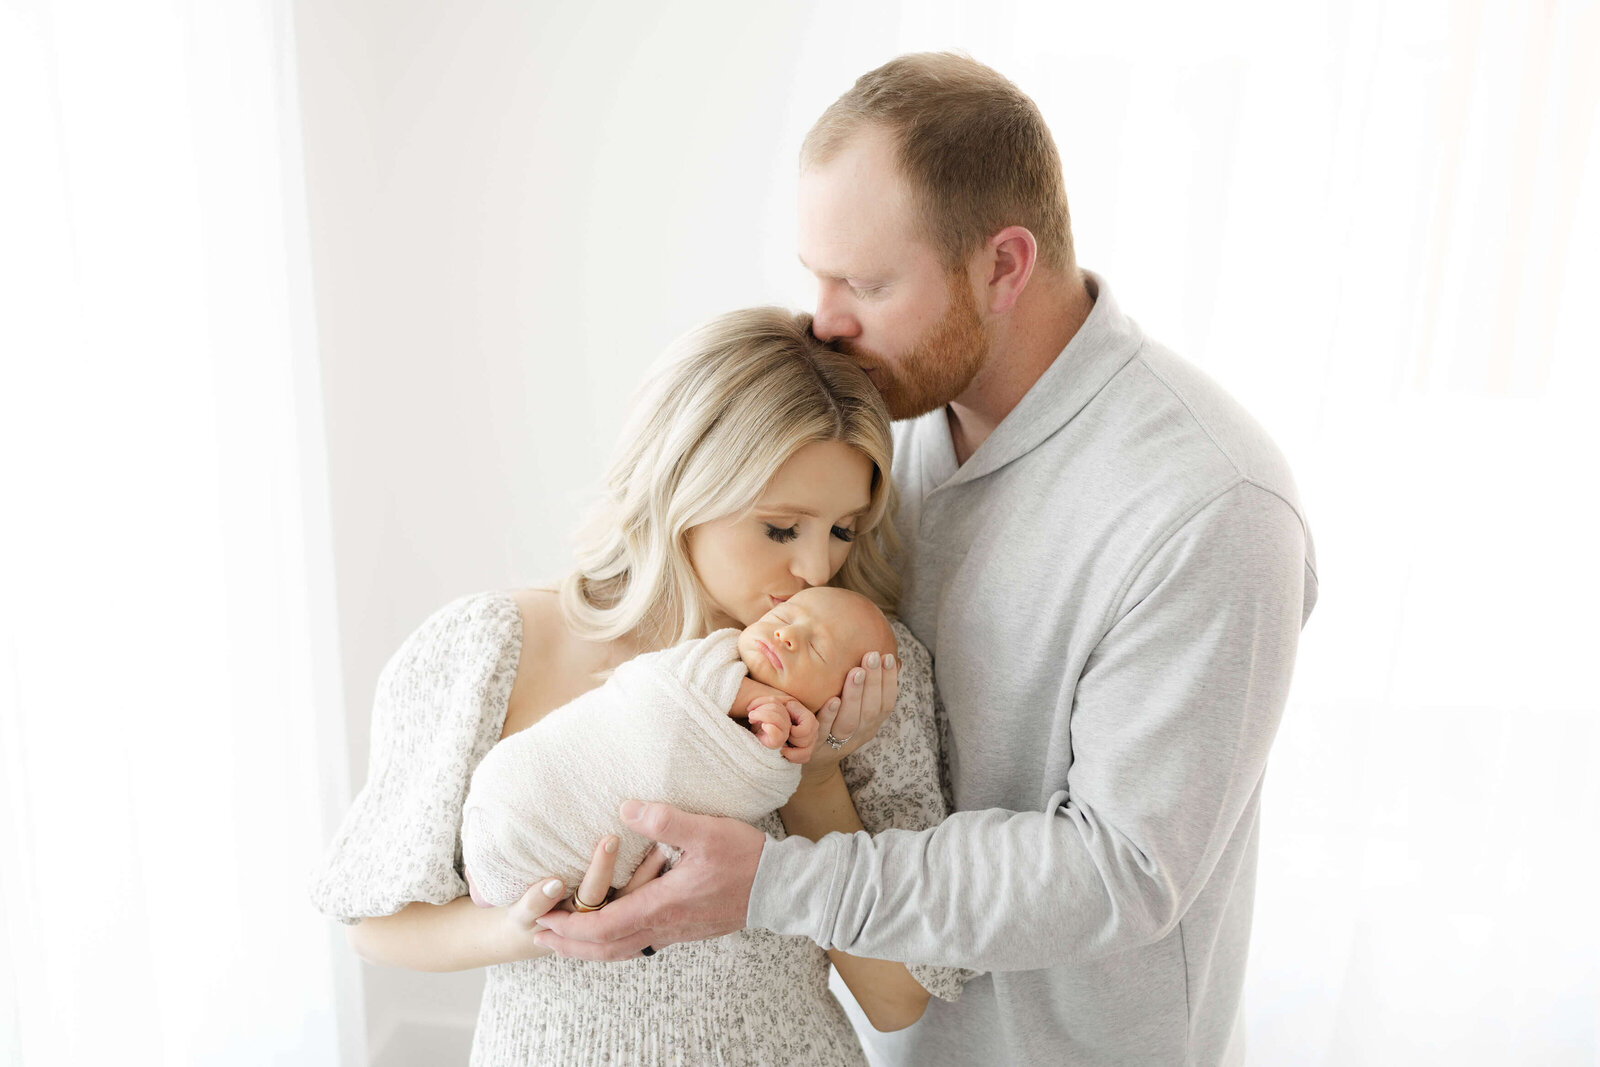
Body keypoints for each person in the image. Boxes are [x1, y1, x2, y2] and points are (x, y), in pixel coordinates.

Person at [532, 53, 1319, 1067]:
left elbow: (1119, 867)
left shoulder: (1209, 504)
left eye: (864, 282)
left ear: (1003, 265)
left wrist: (775, 882)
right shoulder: (876, 432)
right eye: (816, 273)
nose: (823, 320)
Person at [308, 307, 971, 1065]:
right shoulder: (491, 651)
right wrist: (526, 927)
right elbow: (373, 920)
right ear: (681, 486)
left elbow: (896, 996)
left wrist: (815, 780)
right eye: (782, 528)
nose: (817, 570)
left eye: (843, 529)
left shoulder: (862, 673)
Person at [460, 587, 897, 909]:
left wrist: (805, 753)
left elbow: (748, 790)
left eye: (817, 649)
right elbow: (663, 691)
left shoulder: (784, 759)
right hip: (520, 788)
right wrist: (752, 698)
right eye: (786, 615)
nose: (787, 636)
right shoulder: (702, 664)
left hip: (561, 869)